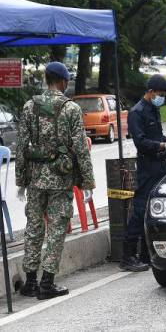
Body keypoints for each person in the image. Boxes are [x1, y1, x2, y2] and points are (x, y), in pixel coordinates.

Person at [15, 62, 95, 299]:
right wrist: (88, 182)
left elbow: (21, 147)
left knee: (34, 227)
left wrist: (21, 181)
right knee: (57, 228)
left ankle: (30, 282)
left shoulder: (30, 106)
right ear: (62, 81)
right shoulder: (71, 109)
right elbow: (81, 148)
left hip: (35, 179)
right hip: (60, 179)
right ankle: (47, 283)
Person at [120, 74, 166, 272]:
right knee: (141, 210)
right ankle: (127, 256)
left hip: (160, 165)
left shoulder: (153, 109)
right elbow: (141, 142)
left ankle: (145, 254)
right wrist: (164, 146)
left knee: (155, 208)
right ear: (151, 92)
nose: (162, 98)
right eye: (160, 94)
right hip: (147, 167)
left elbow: (157, 136)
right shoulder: (137, 112)